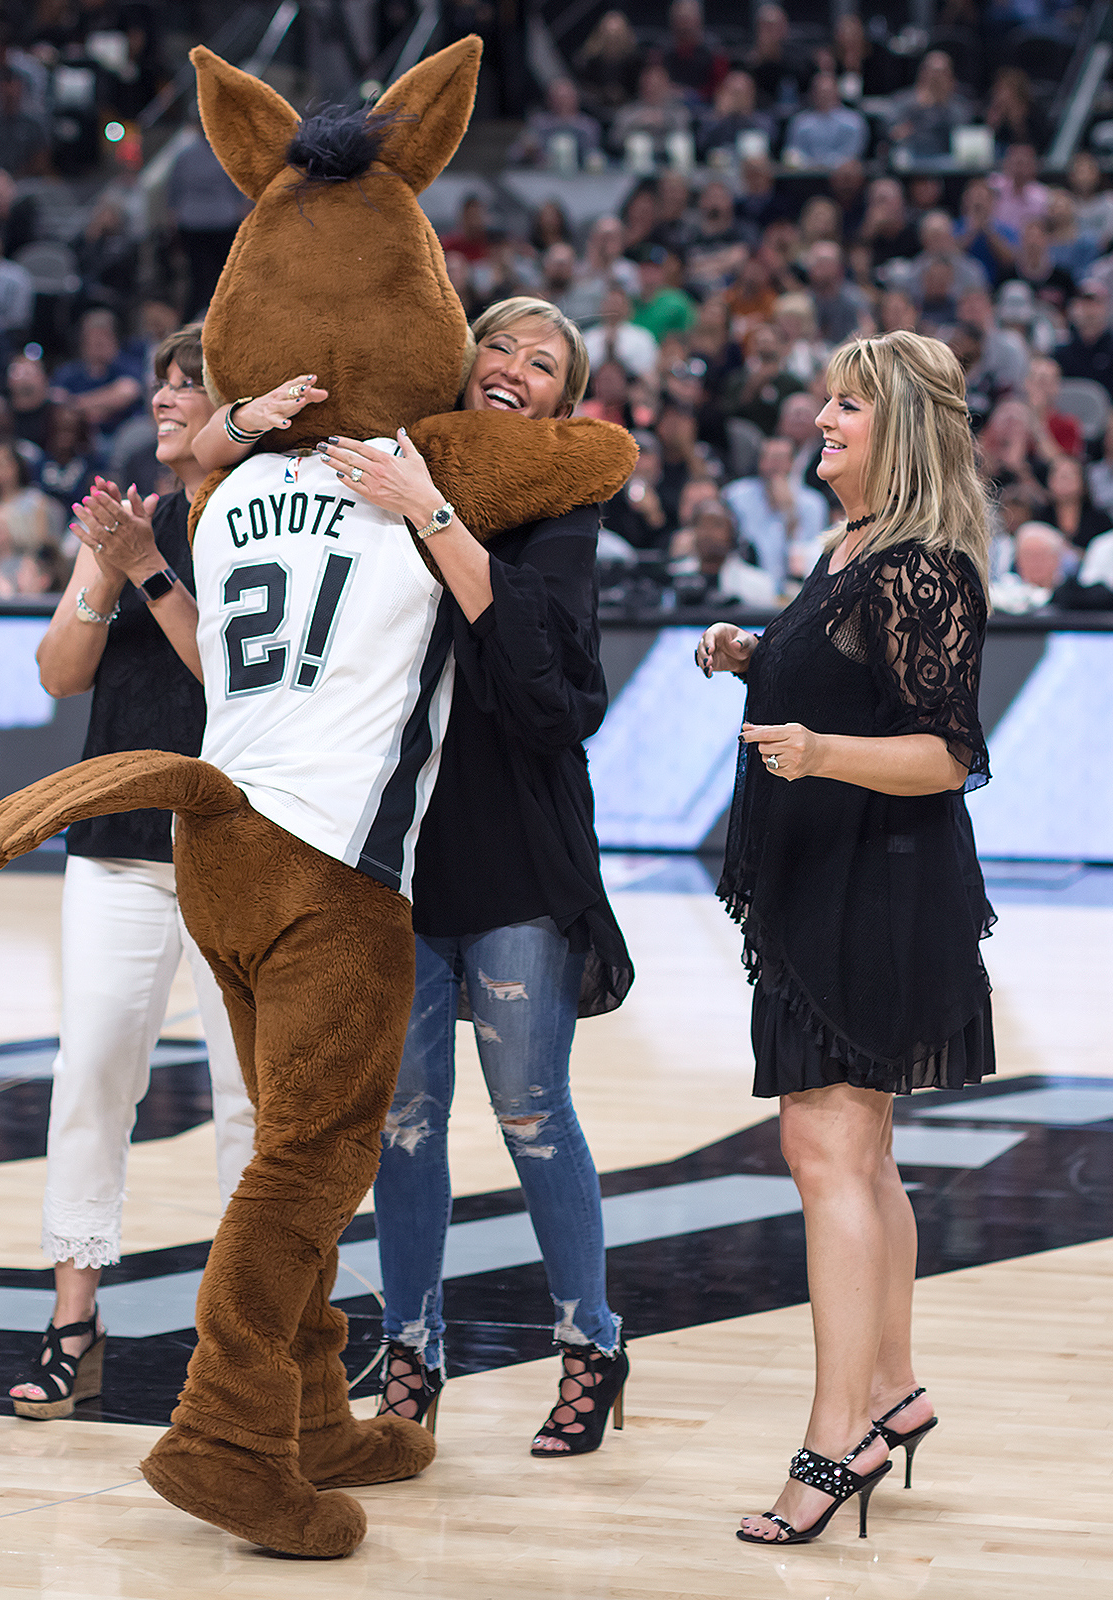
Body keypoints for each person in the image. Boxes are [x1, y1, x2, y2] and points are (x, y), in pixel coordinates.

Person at [295, 299, 636, 1456]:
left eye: (544, 364)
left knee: (532, 1112)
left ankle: (590, 1340)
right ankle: (411, 1349)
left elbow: (551, 693)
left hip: (516, 856)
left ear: (562, 405)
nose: (515, 368)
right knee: (403, 1124)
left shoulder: (562, 513)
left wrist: (432, 513)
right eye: (502, 346)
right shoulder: (387, 477)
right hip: (397, 857)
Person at [695, 330, 995, 1545]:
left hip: (880, 884)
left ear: (902, 431)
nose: (822, 418)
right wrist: (755, 659)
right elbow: (848, 681)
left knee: (827, 1151)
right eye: (827, 400)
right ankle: (893, 1389)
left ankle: (836, 1442)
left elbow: (945, 752)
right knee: (858, 1157)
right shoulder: (846, 548)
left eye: (849, 405)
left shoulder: (925, 568)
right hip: (828, 876)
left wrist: (817, 751)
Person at [4, 324, 254, 1421]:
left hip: (235, 843)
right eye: (162, 380)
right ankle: (73, 1318)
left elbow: (229, 676)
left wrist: (149, 565)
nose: (164, 397)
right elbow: (61, 673)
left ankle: (251, 1331)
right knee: (92, 1070)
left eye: (189, 383)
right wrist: (104, 567)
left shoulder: (253, 519)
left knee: (247, 1101)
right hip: (117, 844)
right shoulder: (129, 517)